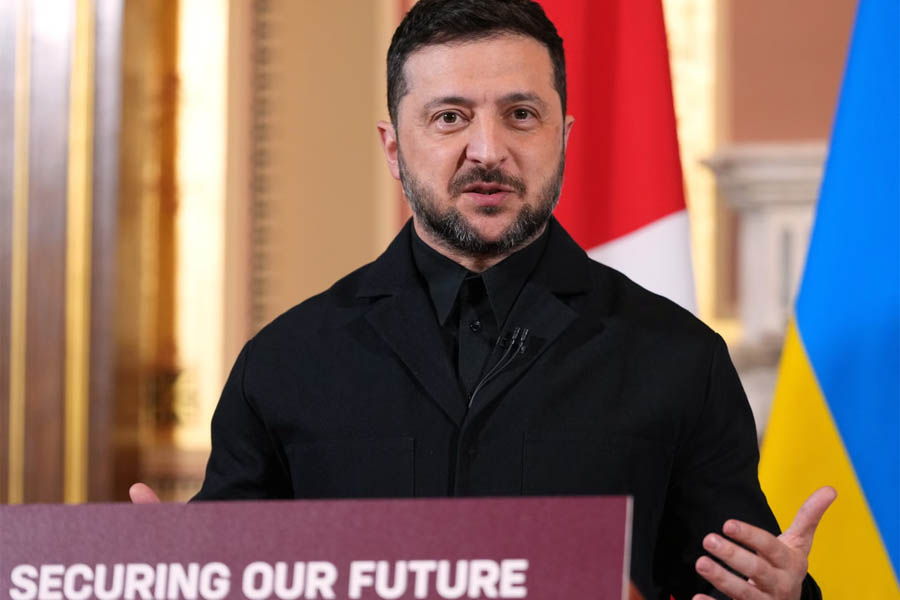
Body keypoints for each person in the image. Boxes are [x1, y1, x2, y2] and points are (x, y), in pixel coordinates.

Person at [132, 1, 835, 597]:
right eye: (449, 117)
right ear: (392, 147)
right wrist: (166, 575)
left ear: (563, 138)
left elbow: (739, 579)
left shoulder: (679, 358)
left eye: (521, 114)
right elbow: (226, 577)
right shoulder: (285, 361)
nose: (488, 149)